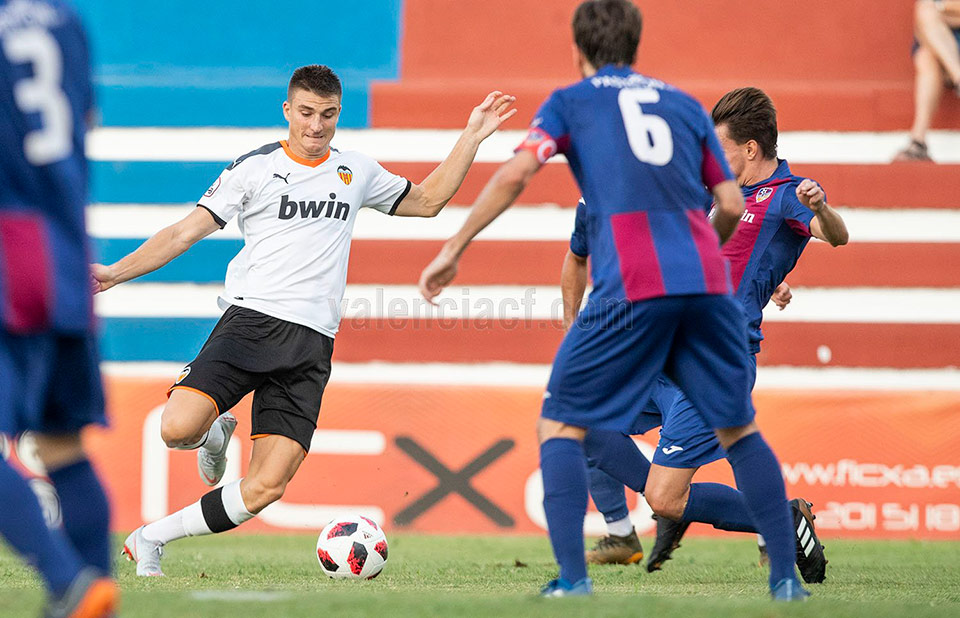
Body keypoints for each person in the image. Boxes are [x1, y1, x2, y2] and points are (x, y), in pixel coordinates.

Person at [419, 0, 807, 600]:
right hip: (704, 290)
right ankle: (786, 582)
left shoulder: (571, 102)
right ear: (636, 45)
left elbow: (518, 174)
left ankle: (573, 580)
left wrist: (455, 244)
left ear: (578, 51)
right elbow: (730, 205)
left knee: (563, 423)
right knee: (741, 433)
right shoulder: (682, 106)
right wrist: (703, 260)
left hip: (633, 289)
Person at [92, 65, 516, 576]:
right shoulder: (255, 169)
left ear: (340, 114)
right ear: (288, 111)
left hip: (312, 343)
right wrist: (116, 273)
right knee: (177, 429)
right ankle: (213, 434)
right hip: (251, 322)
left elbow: (427, 203)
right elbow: (184, 232)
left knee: (266, 487)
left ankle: (150, 538)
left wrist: (471, 137)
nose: (316, 126)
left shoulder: (356, 170)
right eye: (307, 113)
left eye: (329, 115)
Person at [0, 1, 117, 616]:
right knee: (64, 445)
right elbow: (86, 114)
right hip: (67, 252)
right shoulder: (66, 22)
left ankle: (69, 582)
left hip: (5, 253)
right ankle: (93, 591)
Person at [895, 0, 960, 161]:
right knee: (926, 55)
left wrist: (943, 7)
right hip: (946, 46)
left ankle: (918, 141)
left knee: (927, 13)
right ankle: (919, 139)